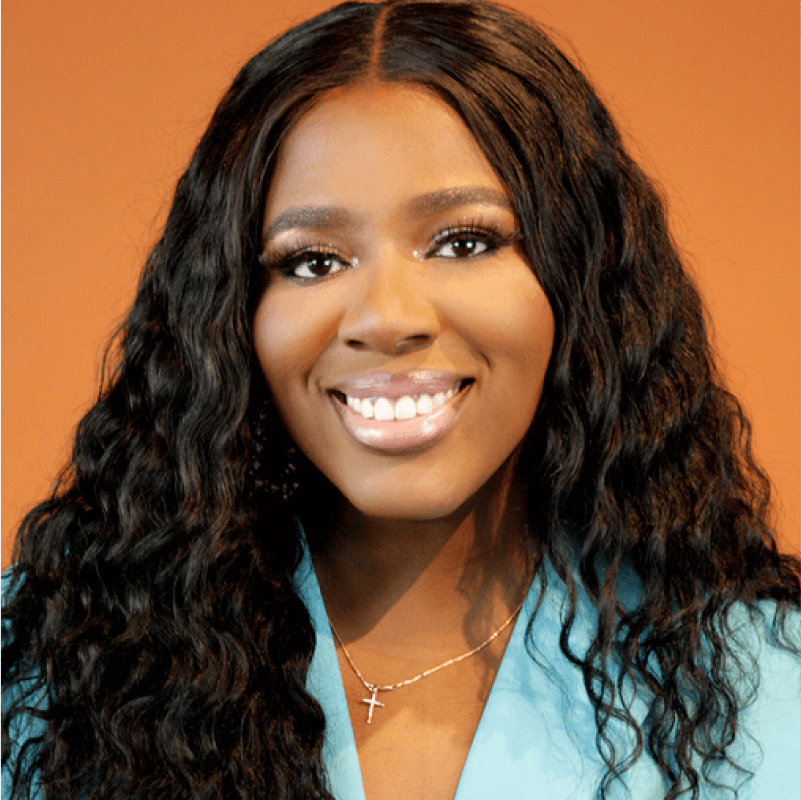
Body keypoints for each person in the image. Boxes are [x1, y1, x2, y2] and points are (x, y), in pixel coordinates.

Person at [2, 1, 799, 798]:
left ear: (581, 281)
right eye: (313, 261)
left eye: (464, 242)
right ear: (228, 312)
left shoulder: (773, 684)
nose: (386, 319)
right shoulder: (46, 666)